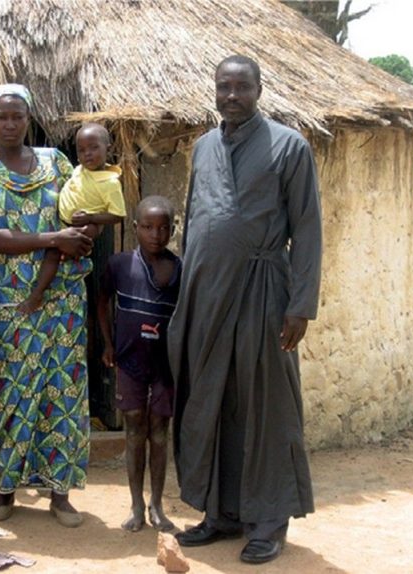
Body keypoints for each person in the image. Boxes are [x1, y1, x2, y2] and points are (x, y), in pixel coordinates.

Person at [168, 55, 322, 564]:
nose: (231, 95)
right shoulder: (204, 147)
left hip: (262, 291)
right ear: (214, 91)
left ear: (259, 89)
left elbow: (307, 229)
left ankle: (269, 522)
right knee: (211, 398)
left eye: (241, 87)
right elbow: (197, 222)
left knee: (266, 405)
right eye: (223, 87)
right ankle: (221, 512)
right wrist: (188, 294)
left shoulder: (288, 146)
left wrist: (300, 306)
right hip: (208, 294)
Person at [0, 84, 93, 528]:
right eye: (1, 116)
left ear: (29, 119)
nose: (9, 124)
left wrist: (72, 236)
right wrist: (51, 238)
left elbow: (80, 217)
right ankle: (6, 489)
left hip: (64, 299)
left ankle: (60, 492)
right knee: (9, 394)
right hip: (12, 303)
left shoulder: (57, 163)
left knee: (62, 392)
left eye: (17, 116)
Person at [97, 195, 181, 533]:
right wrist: (108, 342)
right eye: (147, 227)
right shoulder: (119, 265)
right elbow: (101, 301)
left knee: (159, 431)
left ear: (172, 230)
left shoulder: (180, 269)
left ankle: (157, 504)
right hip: (129, 361)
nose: (155, 235)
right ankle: (135, 505)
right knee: (134, 427)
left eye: (163, 228)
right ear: (135, 228)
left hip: (166, 365)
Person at [18, 122, 125, 314]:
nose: (88, 154)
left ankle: (37, 294)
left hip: (85, 226)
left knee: (53, 254)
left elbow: (117, 215)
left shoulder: (110, 183)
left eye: (94, 148)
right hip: (64, 223)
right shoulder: (80, 170)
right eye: (82, 150)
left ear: (108, 149)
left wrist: (92, 218)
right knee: (59, 254)